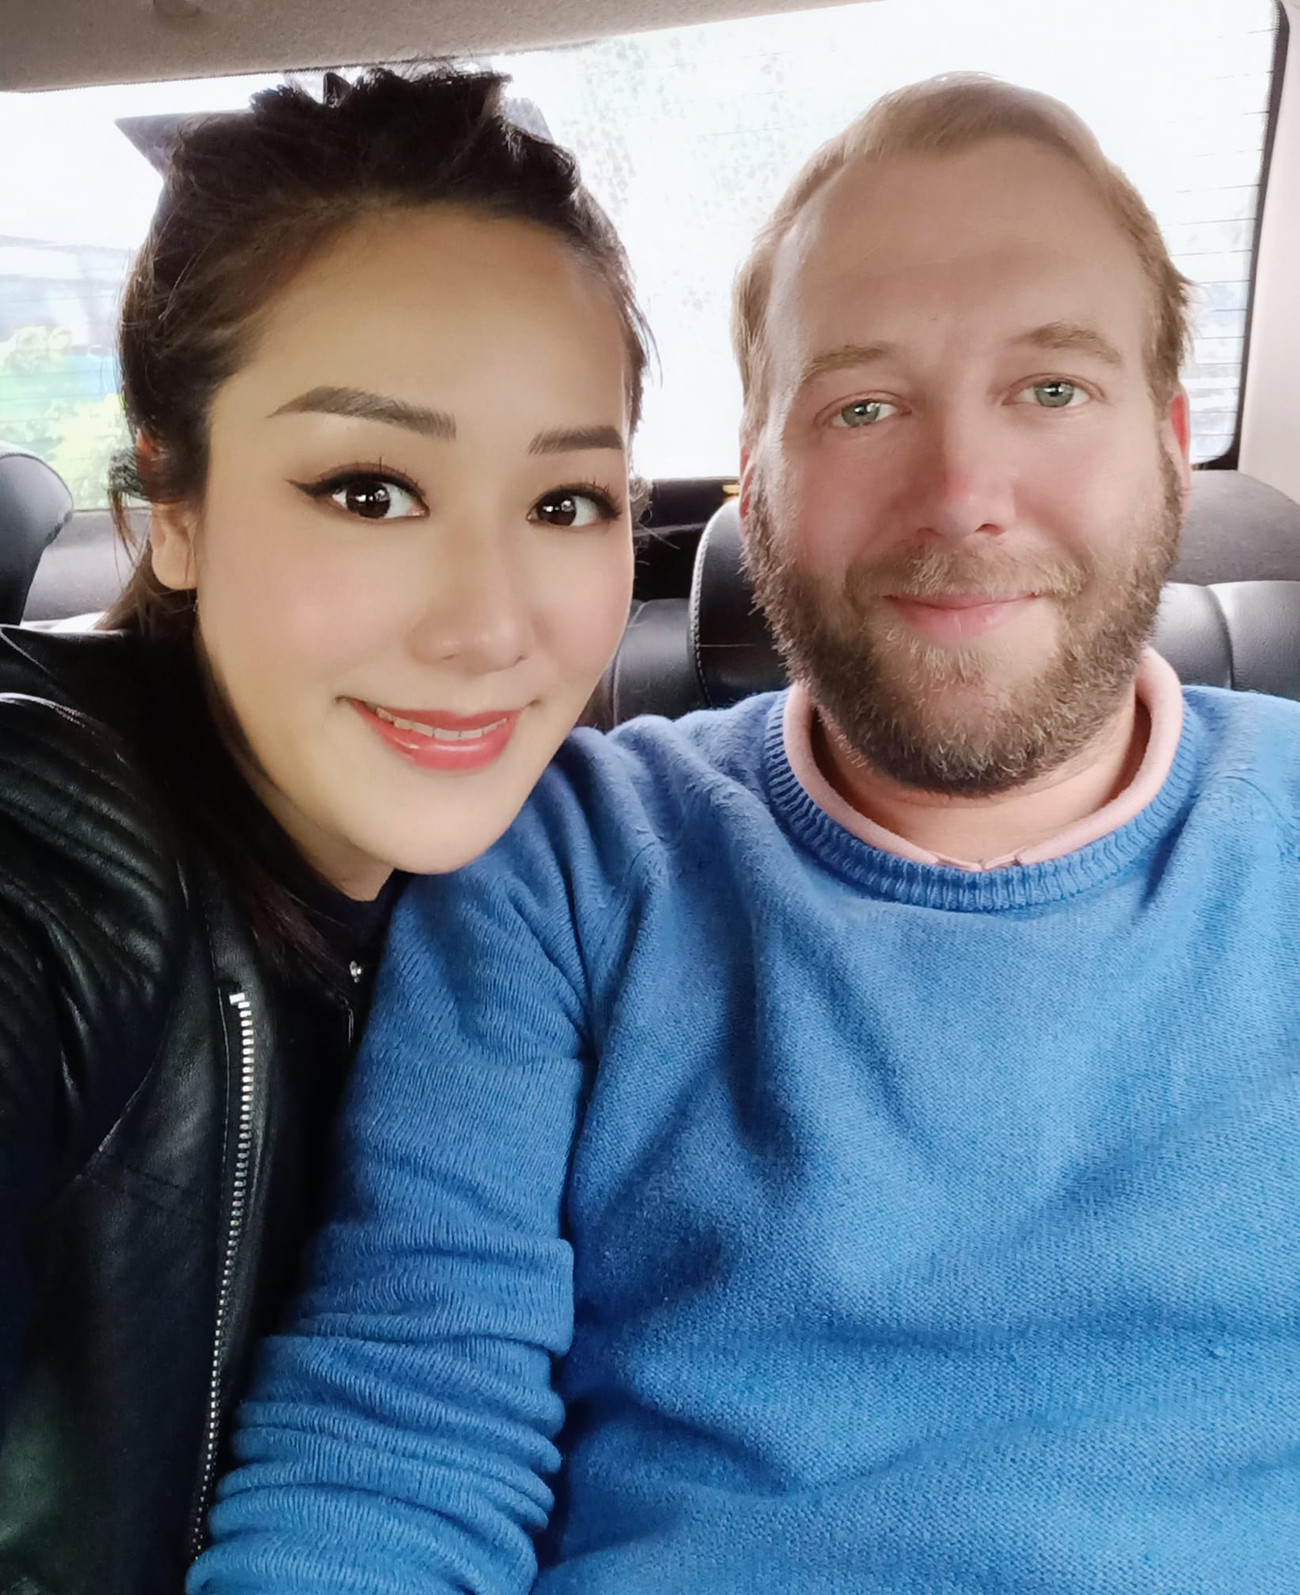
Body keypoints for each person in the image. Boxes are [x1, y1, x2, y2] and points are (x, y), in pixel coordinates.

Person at [192, 75, 1300, 1594]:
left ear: (1172, 443)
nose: (962, 496)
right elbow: (401, 1442)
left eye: (1052, 389)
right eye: (862, 406)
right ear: (755, 479)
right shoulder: (562, 867)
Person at [0, 65, 649, 1594]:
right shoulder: (59, 842)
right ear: (173, 502)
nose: (490, 627)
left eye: (566, 503)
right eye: (369, 492)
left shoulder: (564, 905)